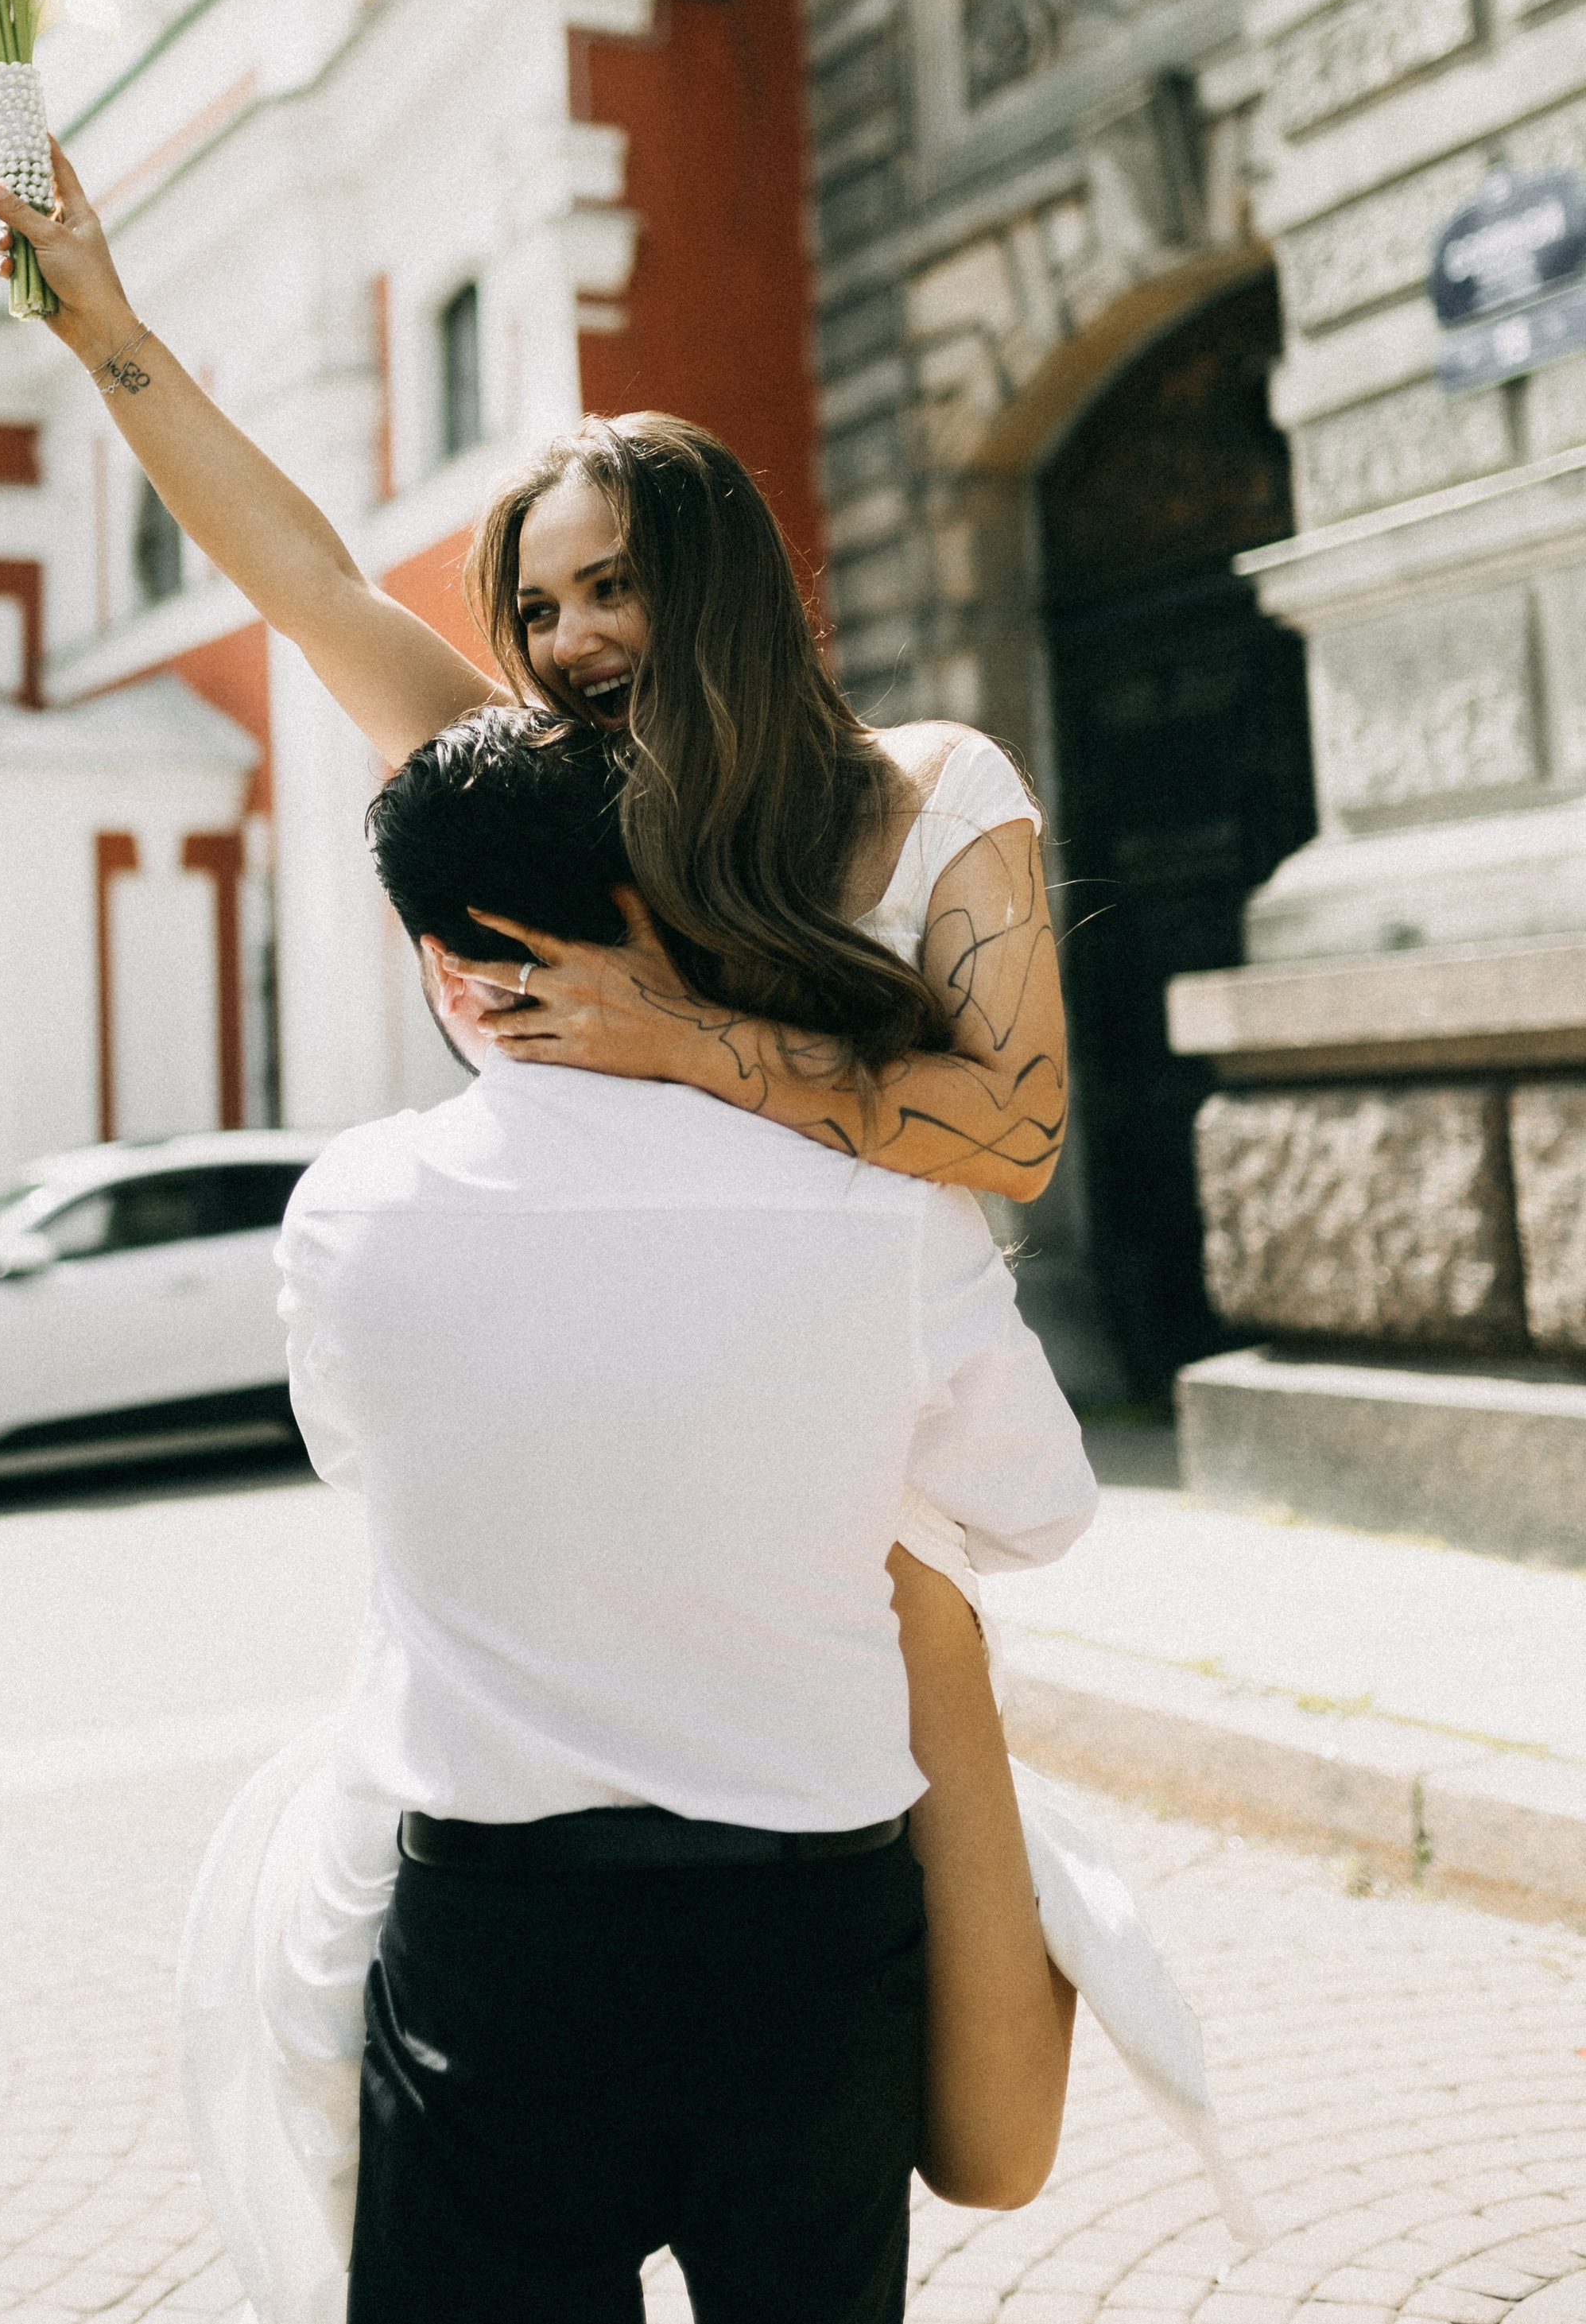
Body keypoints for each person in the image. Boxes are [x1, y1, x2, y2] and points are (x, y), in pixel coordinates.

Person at [0, 147, 1076, 2201]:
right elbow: (306, 583)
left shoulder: (931, 790)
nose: (569, 639)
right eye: (542, 603)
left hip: (868, 1425)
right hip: (617, 1425)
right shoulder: (559, 807)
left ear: (719, 576)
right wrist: (108, 330)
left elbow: (1010, 1122)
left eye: (611, 586)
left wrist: (691, 1041)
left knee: (986, 2132)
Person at [264, 706, 1100, 2321]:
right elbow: (1037, 1511)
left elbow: (358, 1460)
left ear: (446, 968)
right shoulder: (874, 1194)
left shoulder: (346, 1208)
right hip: (805, 1926)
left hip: (491, 1935)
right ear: (666, 908)